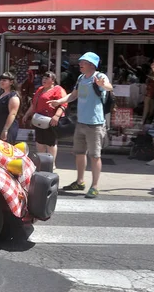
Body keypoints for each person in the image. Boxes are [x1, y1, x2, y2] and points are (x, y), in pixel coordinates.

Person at [48, 52, 113, 199]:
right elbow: (74, 95)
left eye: (83, 62)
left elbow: (109, 87)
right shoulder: (81, 78)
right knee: (79, 153)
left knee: (95, 156)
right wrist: (59, 101)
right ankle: (80, 181)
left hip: (95, 124)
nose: (80, 64)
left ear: (92, 64)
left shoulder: (99, 77)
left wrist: (104, 85)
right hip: (81, 122)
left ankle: (95, 186)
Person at [22, 71, 67, 169]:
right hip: (39, 119)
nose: (44, 80)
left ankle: (51, 163)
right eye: (43, 78)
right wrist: (27, 114)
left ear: (53, 80)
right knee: (39, 141)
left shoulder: (58, 89)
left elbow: (63, 104)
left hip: (50, 120)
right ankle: (41, 162)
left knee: (50, 142)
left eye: (47, 78)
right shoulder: (40, 89)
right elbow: (33, 104)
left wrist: (56, 116)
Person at [0, 72, 21, 144]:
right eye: (1, 80)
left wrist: (5, 130)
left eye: (4, 80)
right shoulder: (1, 94)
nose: (1, 82)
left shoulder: (13, 96)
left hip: (8, 127)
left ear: (11, 82)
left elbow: (12, 114)